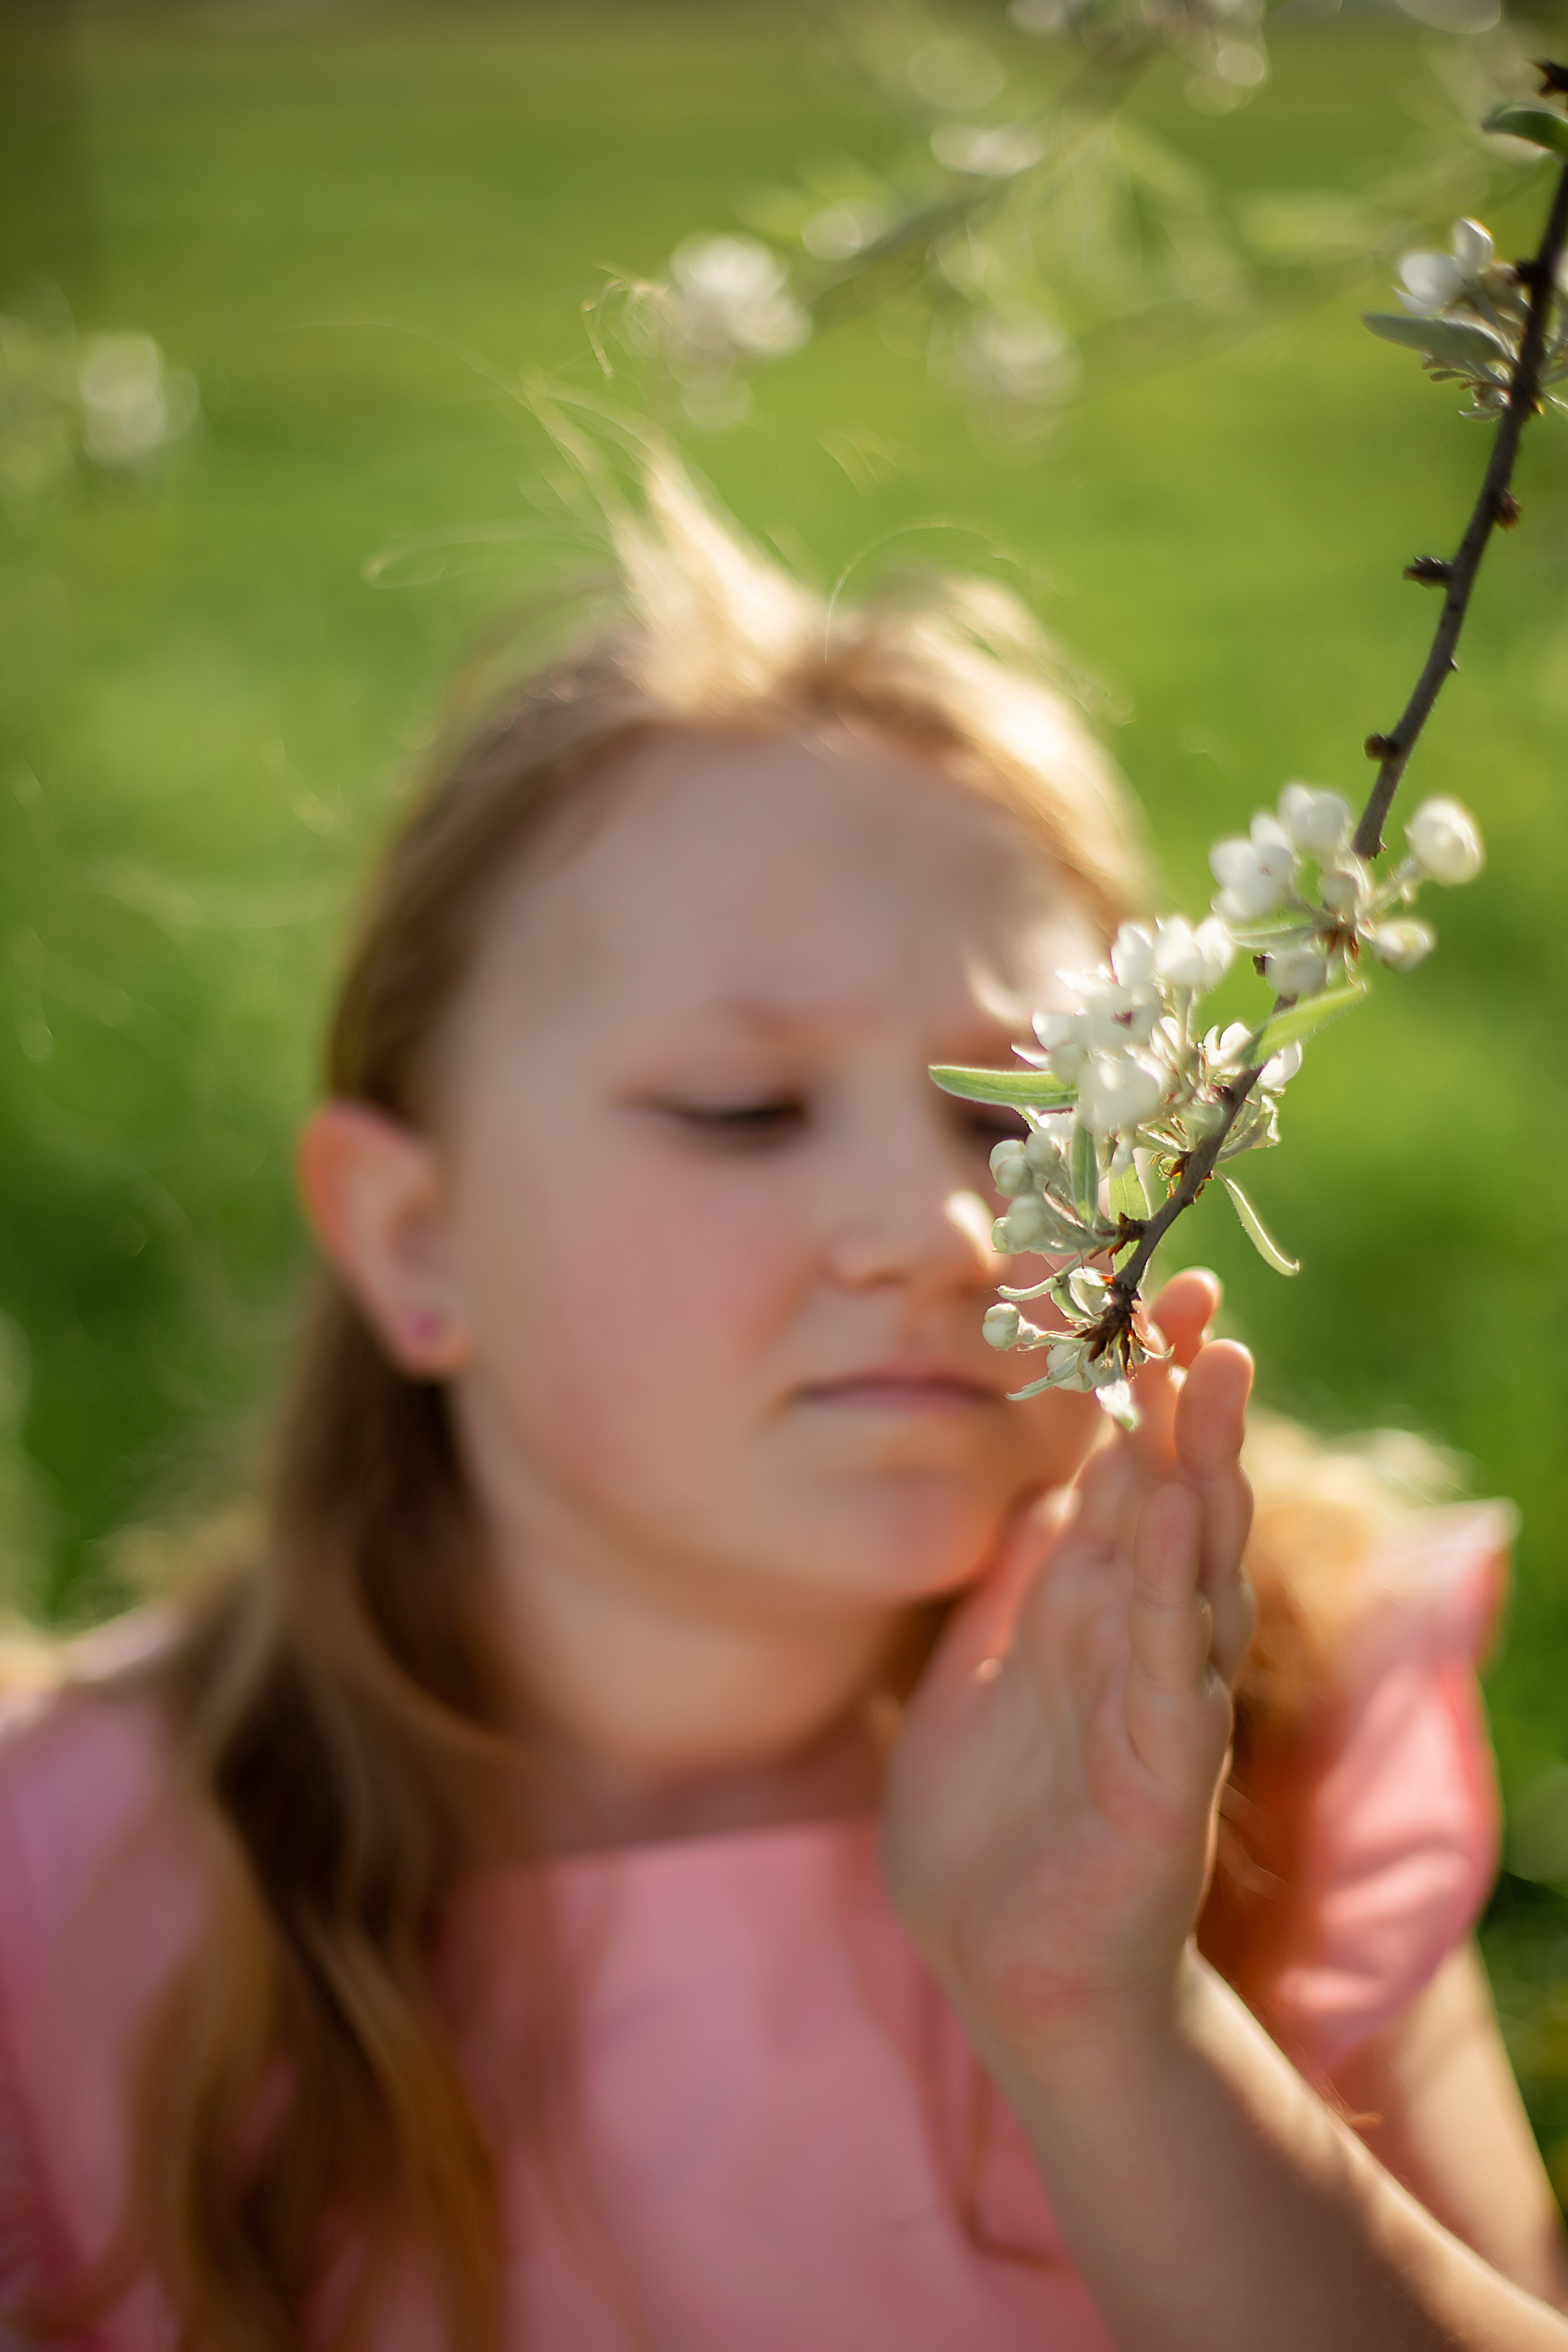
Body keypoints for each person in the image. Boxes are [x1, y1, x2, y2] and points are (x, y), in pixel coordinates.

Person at [1, 456, 1564, 2351]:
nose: (929, 1229)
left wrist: (1116, 2033)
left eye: (1015, 1119)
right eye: (740, 1111)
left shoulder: (1268, 1741)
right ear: (417, 1240)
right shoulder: (68, 1882)